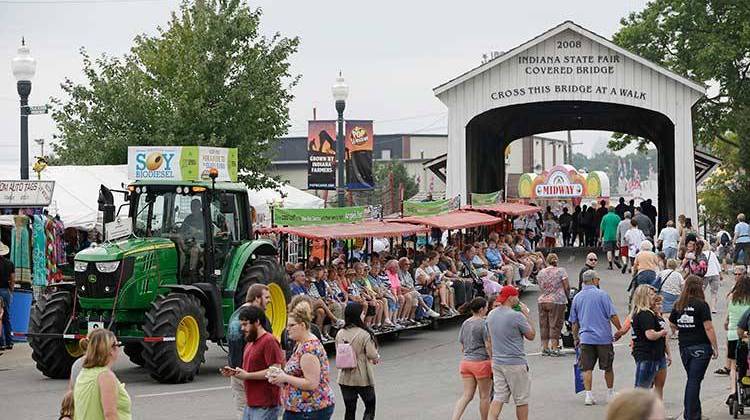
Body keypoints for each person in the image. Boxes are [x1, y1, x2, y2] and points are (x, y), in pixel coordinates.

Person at [268, 302, 335, 419]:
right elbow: (297, 374)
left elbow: (311, 383)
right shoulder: (300, 343)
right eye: (287, 325)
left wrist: (285, 377)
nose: (287, 329)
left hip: (309, 410)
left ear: (303, 325)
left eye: (291, 325)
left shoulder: (309, 349)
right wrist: (280, 377)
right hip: (301, 409)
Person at [669, 275, 719, 420]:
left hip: (685, 346)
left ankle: (693, 412)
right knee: (694, 380)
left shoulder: (679, 304)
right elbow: (708, 327)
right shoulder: (701, 305)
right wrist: (715, 346)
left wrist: (684, 328)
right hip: (701, 345)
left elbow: (672, 324)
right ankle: (691, 415)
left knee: (692, 378)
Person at [569, 270, 622, 406]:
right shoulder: (602, 295)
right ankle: (610, 393)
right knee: (608, 367)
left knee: (587, 368)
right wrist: (620, 329)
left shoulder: (577, 297)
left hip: (586, 337)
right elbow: (612, 315)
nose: (599, 281)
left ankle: (588, 395)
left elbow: (574, 322)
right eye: (598, 279)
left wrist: (575, 338)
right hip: (603, 337)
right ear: (593, 280)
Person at [222, 306, 284, 420]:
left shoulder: (269, 341)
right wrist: (235, 372)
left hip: (265, 405)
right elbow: (250, 370)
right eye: (242, 325)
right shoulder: (250, 342)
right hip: (251, 404)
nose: (242, 328)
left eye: (245, 324)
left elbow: (275, 371)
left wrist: (247, 376)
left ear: (257, 322)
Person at [487, 286, 535, 420]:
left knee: (498, 396)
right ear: (511, 298)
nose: (518, 299)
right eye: (517, 296)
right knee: (521, 399)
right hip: (515, 362)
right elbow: (531, 335)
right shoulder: (517, 316)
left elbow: (489, 338)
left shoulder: (491, 314)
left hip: (497, 360)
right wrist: (526, 314)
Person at [226, 284, 273, 418]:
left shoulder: (235, 314)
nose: (269, 301)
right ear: (257, 298)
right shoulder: (258, 319)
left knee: (242, 413)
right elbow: (267, 344)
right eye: (267, 297)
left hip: (236, 372)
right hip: (252, 374)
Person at [73, 328, 132, 420]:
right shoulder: (105, 376)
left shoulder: (84, 372)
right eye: (117, 344)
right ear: (110, 350)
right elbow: (110, 415)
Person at [335, 302, 380, 420]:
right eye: (362, 313)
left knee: (349, 409)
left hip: (345, 376)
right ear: (357, 315)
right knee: (370, 406)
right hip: (362, 375)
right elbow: (372, 354)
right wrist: (376, 357)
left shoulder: (340, 333)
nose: (364, 314)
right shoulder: (365, 334)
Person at [452, 297, 492, 420]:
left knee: (466, 395)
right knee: (485, 396)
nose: (487, 309)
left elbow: (462, 345)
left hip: (466, 362)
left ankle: (455, 418)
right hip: (481, 362)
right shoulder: (484, 324)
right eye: (486, 307)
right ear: (481, 309)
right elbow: (488, 345)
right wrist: (493, 359)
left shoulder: (466, 323)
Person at [628, 285, 669, 395]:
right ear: (643, 297)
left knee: (653, 387)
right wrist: (661, 333)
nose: (653, 297)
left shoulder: (645, 313)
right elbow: (650, 334)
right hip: (648, 355)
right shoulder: (645, 314)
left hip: (655, 354)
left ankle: (656, 410)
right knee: (642, 390)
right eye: (651, 295)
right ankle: (638, 411)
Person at [723, 274, 750, 406]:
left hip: (733, 334)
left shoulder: (732, 297)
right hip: (747, 336)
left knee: (734, 365)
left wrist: (727, 325)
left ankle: (734, 392)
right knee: (747, 362)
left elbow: (727, 319)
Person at [536, 253, 569, 356]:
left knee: (544, 325)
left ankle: (545, 347)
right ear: (556, 261)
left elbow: (540, 286)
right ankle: (555, 347)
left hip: (542, 299)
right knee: (555, 324)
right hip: (557, 300)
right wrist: (567, 297)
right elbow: (566, 286)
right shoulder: (561, 271)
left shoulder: (541, 272)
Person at [656, 259, 684, 337]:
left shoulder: (662, 273)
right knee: (675, 313)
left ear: (667, 265)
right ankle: (675, 332)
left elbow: (656, 282)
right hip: (676, 295)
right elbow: (682, 285)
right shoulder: (678, 274)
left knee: (665, 314)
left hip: (664, 293)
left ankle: (667, 332)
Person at [0, 242, 14, 350]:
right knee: (6, 317)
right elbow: (12, 278)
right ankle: (9, 342)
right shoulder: (9, 264)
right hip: (5, 291)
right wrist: (11, 290)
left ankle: (1, 343)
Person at [702, 242, 722, 312]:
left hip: (705, 275)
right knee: (714, 292)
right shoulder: (712, 253)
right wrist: (720, 274)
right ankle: (713, 308)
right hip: (714, 273)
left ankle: (703, 307)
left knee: (702, 291)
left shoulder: (701, 254)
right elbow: (717, 264)